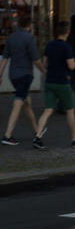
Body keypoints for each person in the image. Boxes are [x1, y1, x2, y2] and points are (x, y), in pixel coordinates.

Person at [32, 20, 75, 149]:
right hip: (62, 82)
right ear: (67, 31)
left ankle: (37, 137)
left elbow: (45, 63)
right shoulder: (66, 46)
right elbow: (71, 65)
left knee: (48, 110)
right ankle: (74, 138)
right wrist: (72, 64)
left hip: (49, 82)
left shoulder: (50, 45)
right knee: (70, 111)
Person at [0, 15, 46, 146]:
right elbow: (35, 59)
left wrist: (0, 75)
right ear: (30, 25)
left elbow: (4, 58)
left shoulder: (12, 37)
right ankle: (8, 135)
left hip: (13, 75)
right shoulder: (29, 38)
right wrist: (43, 70)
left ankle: (37, 130)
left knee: (27, 103)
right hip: (25, 74)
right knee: (18, 103)